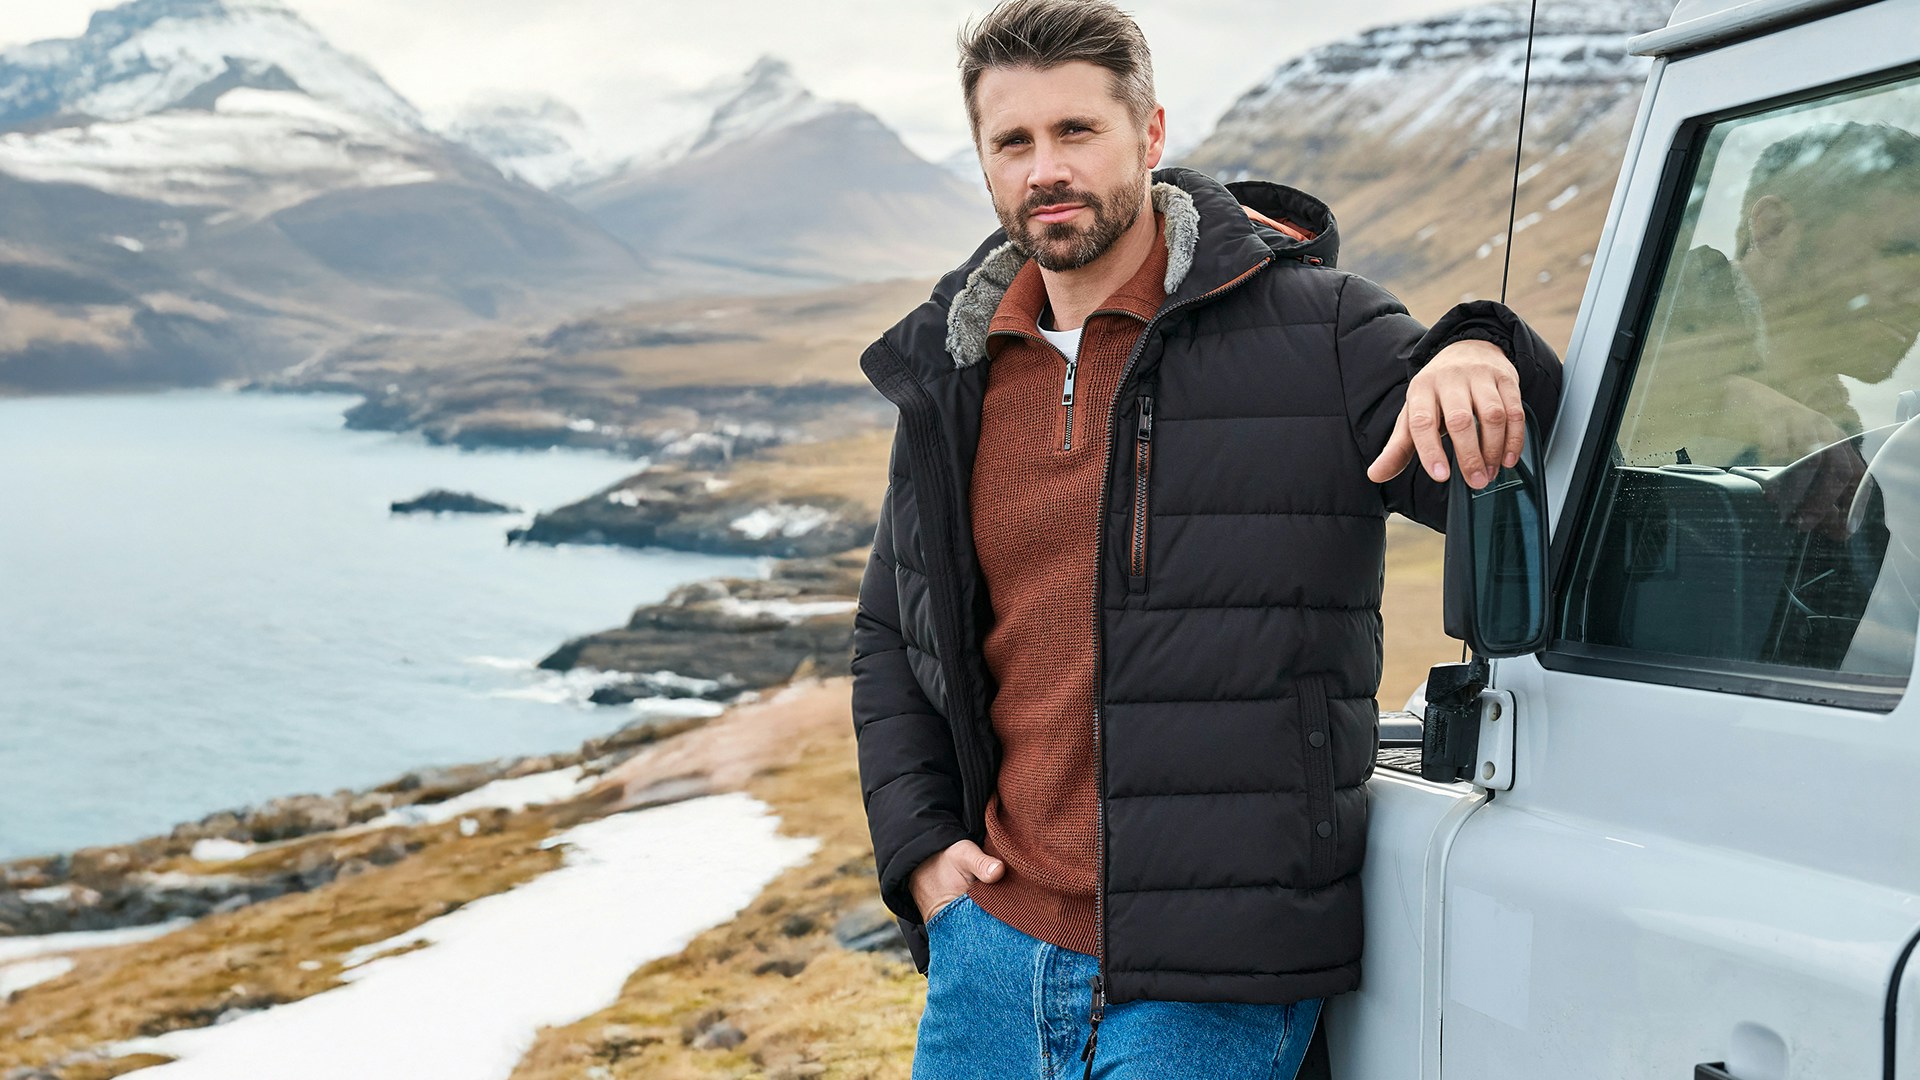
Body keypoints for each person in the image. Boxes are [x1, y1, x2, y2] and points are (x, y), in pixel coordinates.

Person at [848, 1, 1563, 1075]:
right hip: (992, 949)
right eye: (1015, 141)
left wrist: (1481, 344)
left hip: (1215, 978)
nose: (1047, 168)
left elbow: (1526, 480)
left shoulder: (1319, 331)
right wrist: (921, 858)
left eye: (1077, 131)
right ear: (986, 163)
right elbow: (890, 638)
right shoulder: (954, 372)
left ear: (1149, 134)